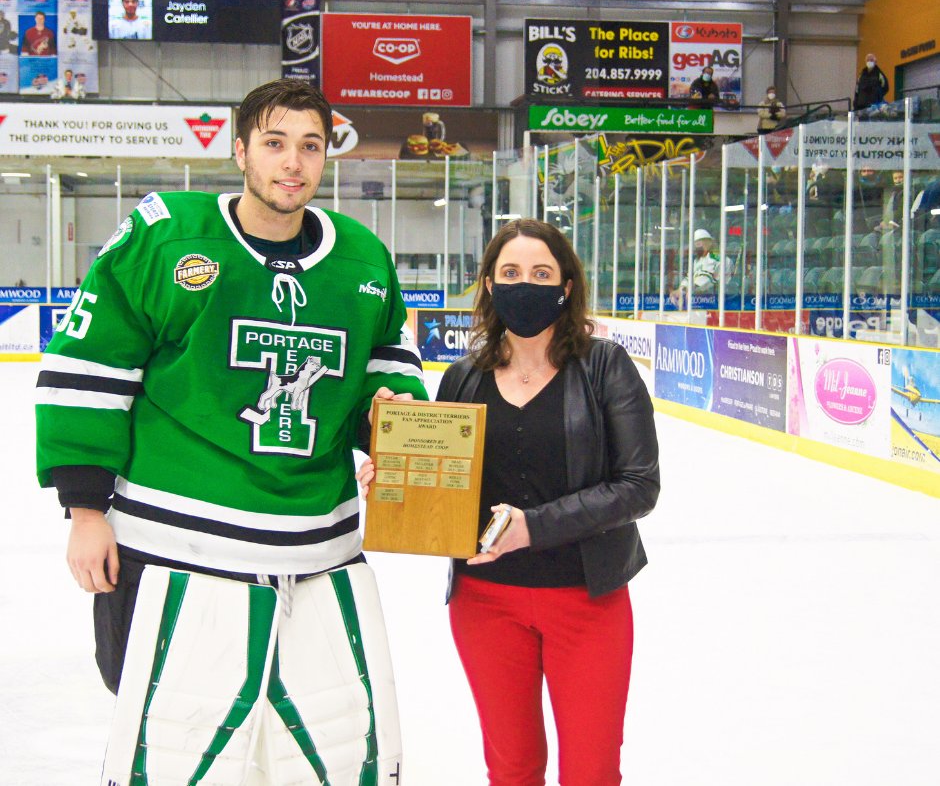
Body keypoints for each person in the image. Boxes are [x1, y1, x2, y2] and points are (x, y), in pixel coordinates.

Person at [35, 79, 426, 784]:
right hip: (175, 546)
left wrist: (387, 423)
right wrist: (86, 509)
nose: (293, 163)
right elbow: (88, 368)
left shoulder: (363, 259)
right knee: (175, 751)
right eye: (275, 143)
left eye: (310, 147)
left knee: (316, 755)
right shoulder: (165, 237)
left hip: (318, 554)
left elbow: (386, 369)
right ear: (240, 149)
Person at [360, 218, 661, 785]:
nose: (527, 284)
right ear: (491, 286)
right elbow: (442, 486)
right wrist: (396, 478)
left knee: (592, 772)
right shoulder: (462, 377)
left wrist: (534, 527)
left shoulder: (605, 368)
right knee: (512, 769)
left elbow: (638, 485)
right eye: (512, 273)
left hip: (587, 602)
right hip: (486, 604)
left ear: (566, 286)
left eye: (542, 273)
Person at [669, 227, 732, 306]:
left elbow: (705, 279)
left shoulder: (716, 258)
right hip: (703, 299)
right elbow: (690, 277)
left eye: (699, 243)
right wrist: (681, 288)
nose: (697, 247)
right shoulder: (698, 260)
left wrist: (684, 290)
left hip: (718, 299)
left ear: (709, 243)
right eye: (696, 244)